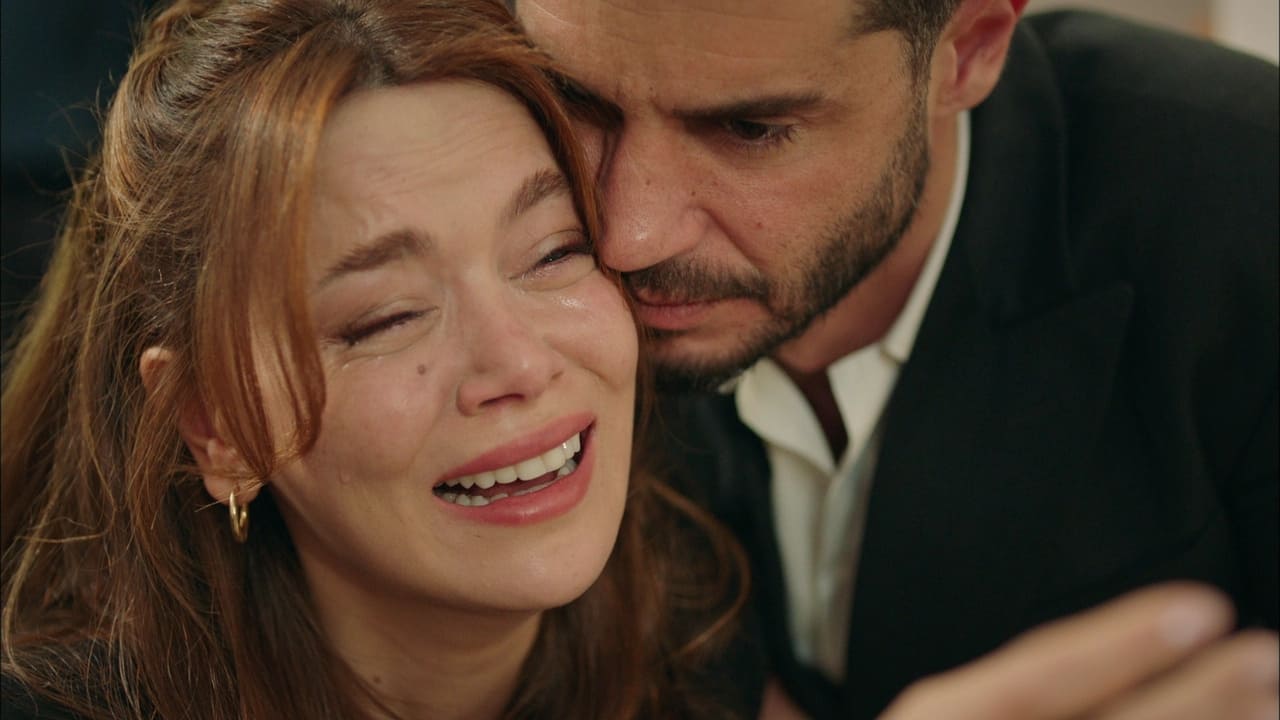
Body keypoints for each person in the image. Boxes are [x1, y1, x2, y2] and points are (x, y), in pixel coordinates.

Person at [508, 0, 1280, 718]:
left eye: (750, 128)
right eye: (576, 98)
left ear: (969, 49)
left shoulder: (1248, 207)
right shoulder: (495, 179)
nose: (625, 237)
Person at [0, 1, 756, 718]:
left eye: (555, 252)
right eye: (387, 318)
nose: (520, 364)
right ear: (217, 425)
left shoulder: (725, 632)